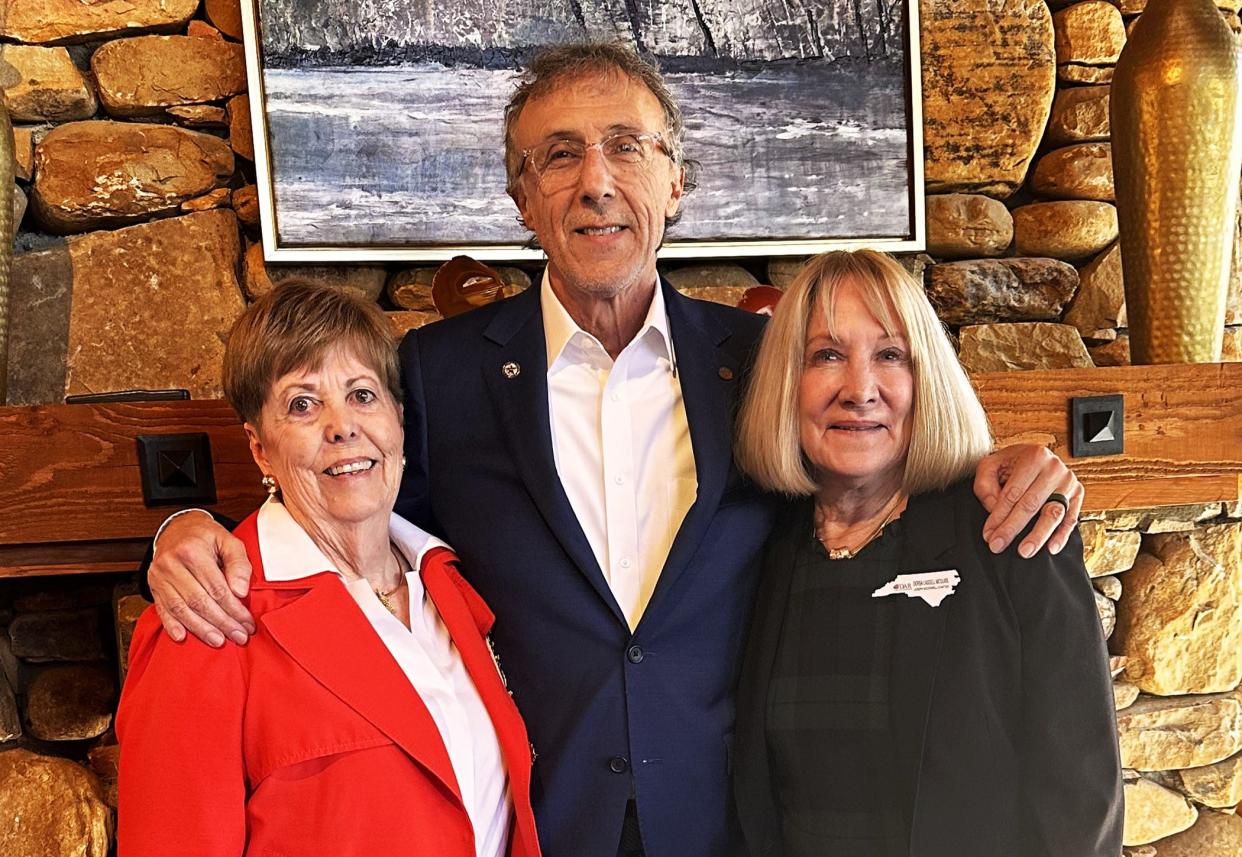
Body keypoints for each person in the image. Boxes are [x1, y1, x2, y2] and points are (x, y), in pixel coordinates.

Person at [143, 43, 1085, 857]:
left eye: (626, 147)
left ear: (675, 180)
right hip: (547, 821)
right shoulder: (435, 374)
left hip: (729, 822)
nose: (596, 179)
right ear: (521, 195)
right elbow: (344, 498)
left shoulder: (762, 365)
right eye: (559, 156)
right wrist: (187, 526)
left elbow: (873, 456)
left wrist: (992, 466)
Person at [116, 282, 541, 857]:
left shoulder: (451, 585)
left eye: (362, 395)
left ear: (398, 422)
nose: (342, 426)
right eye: (302, 404)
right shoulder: (208, 617)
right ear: (260, 448)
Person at [731, 249, 1122, 857]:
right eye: (826, 355)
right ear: (787, 382)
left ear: (926, 379)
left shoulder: (1009, 528)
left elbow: (1079, 792)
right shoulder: (762, 546)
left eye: (891, 356)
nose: (860, 390)